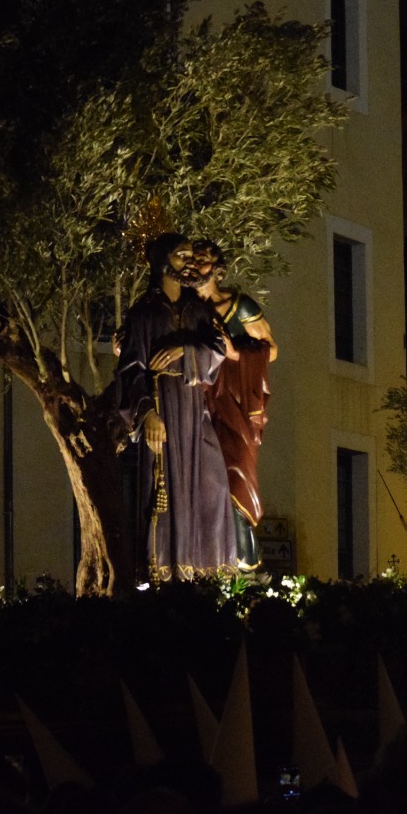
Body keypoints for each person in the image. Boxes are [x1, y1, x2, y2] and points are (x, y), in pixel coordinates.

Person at [116, 233, 234, 578]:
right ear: (162, 261)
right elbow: (130, 369)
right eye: (181, 255)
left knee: (214, 486)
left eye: (190, 255)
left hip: (194, 411)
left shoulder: (198, 310)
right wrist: (147, 414)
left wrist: (185, 349)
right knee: (163, 490)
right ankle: (165, 575)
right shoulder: (144, 314)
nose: (189, 262)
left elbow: (218, 350)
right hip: (162, 409)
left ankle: (205, 572)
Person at [191, 239, 275, 570]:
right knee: (200, 480)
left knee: (236, 474)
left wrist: (235, 353)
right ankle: (207, 564)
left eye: (203, 259)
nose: (196, 265)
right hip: (196, 402)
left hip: (234, 405)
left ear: (218, 269)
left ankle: (246, 565)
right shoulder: (183, 309)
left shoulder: (238, 306)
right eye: (192, 259)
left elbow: (271, 349)